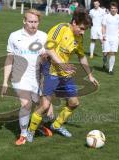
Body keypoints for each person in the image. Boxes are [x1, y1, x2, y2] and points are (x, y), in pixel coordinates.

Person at [26, 7, 99, 142]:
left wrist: (90, 75)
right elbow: (49, 48)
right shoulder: (60, 28)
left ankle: (56, 125)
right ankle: (30, 131)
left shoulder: (79, 38)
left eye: (85, 30)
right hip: (50, 71)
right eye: (81, 28)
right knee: (45, 106)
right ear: (74, 23)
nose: (83, 32)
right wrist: (63, 65)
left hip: (64, 73)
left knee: (74, 102)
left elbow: (81, 56)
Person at [1, 9, 53, 146]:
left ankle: (36, 126)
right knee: (26, 104)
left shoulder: (43, 36)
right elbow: (9, 59)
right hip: (19, 77)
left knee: (41, 106)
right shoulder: (14, 36)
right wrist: (5, 81)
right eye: (30, 21)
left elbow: (47, 62)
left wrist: (45, 57)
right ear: (24, 21)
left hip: (37, 77)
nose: (33, 24)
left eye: (36, 22)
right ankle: (23, 135)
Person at [102, 2, 119, 75]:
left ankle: (110, 70)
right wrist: (103, 35)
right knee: (106, 53)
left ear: (117, 9)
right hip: (107, 37)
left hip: (115, 38)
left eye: (114, 8)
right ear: (110, 9)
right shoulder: (106, 16)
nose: (113, 9)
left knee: (113, 53)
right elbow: (103, 27)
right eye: (112, 8)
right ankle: (104, 63)